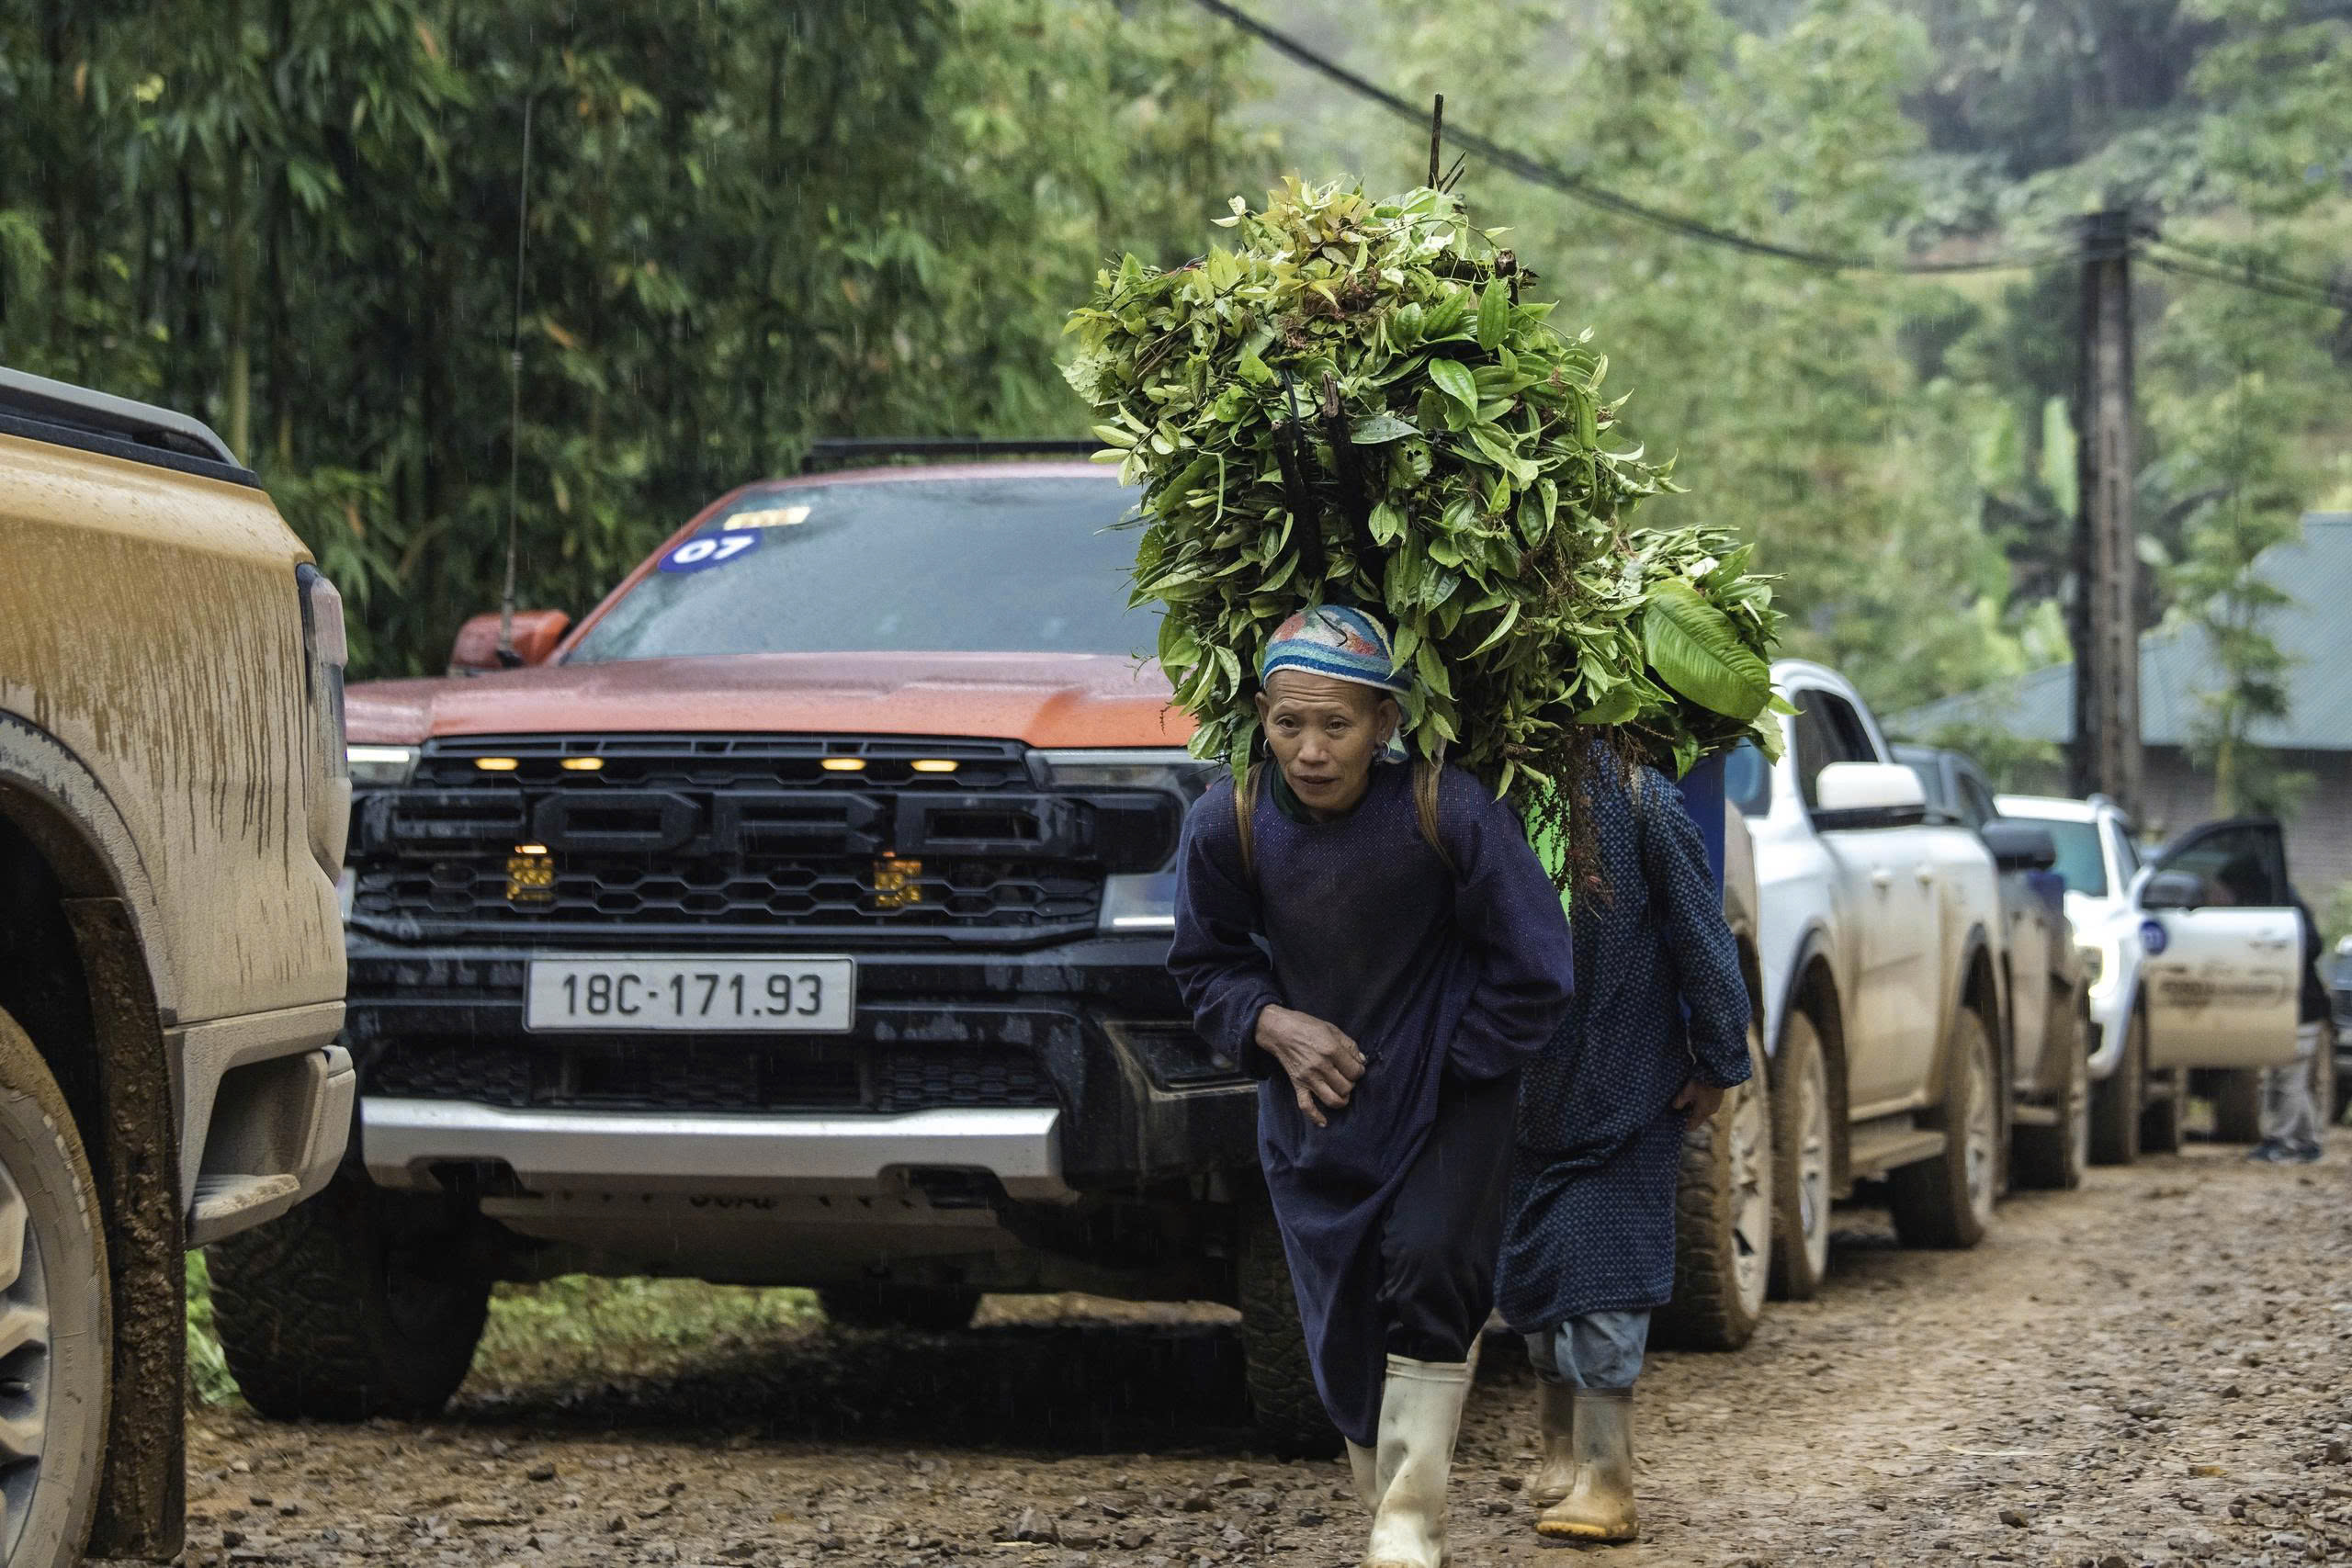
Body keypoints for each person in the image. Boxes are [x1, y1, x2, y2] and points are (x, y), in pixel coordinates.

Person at [1169, 604, 1576, 1568]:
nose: (1310, 750)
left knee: (1435, 1271)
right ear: (1259, 719)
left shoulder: (1449, 812)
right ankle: (1387, 1504)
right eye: (1287, 724)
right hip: (1313, 1110)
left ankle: (1406, 1532)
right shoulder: (1227, 823)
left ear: (1386, 726)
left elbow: (1539, 969)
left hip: (1447, 1107)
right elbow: (1203, 967)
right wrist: (1273, 1026)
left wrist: (1447, 1066)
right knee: (1342, 1323)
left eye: (1337, 725)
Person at [1494, 739, 1753, 1544]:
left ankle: (1608, 1476)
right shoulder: (1474, 797)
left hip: (1626, 1085)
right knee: (1534, 1281)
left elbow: (1701, 933)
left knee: (1604, 1279)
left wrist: (1718, 1056)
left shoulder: (1638, 798)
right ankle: (1558, 1448)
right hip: (1517, 1098)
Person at [2247, 886, 2329, 1164]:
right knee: (2289, 1077)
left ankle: (2284, 1141)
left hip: (2302, 1008)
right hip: (2299, 1006)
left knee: (2287, 1076)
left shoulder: (2281, 907)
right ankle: (2307, 1142)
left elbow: (2314, 945)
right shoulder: (2284, 903)